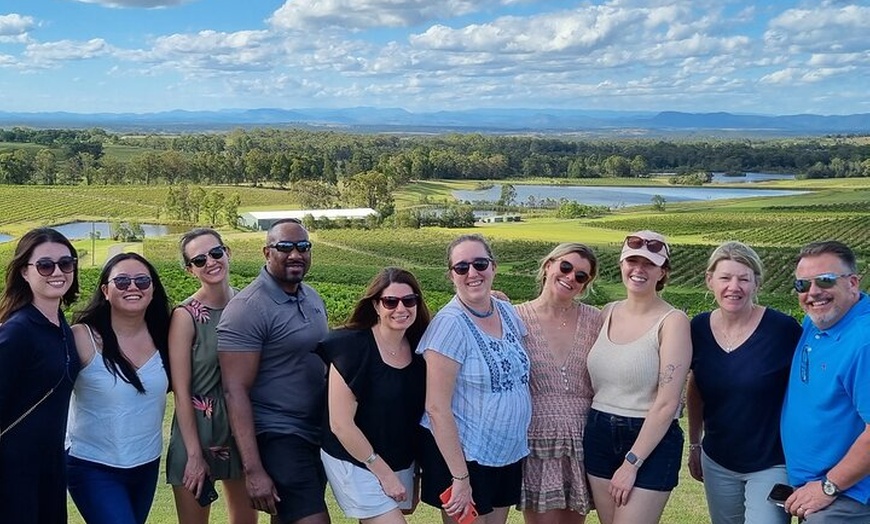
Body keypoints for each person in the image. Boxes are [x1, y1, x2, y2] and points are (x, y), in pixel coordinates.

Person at [217, 218, 330, 524]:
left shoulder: (312, 297)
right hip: (278, 436)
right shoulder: (248, 308)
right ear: (266, 253)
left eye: (303, 247)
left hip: (314, 434)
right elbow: (234, 390)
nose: (296, 254)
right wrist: (253, 470)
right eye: (285, 247)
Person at [417, 233, 532, 524]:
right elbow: (436, 407)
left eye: (480, 264)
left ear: (493, 267)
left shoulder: (505, 310)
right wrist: (460, 477)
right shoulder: (449, 326)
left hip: (505, 452)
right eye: (462, 267)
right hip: (464, 459)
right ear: (451, 275)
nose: (472, 273)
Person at [686, 241, 801, 524]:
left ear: (756, 283)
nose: (733, 287)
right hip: (718, 461)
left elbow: (807, 389)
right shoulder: (697, 329)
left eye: (743, 279)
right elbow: (696, 387)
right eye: (725, 278)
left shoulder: (783, 330)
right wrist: (694, 444)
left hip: (772, 462)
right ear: (709, 280)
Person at [583, 230, 691, 524]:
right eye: (632, 261)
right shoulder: (606, 313)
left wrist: (632, 462)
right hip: (599, 432)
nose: (638, 270)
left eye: (649, 264)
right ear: (621, 265)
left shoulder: (673, 322)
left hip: (649, 440)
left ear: (662, 272)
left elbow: (668, 403)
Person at [317, 267, 431, 523]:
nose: (401, 308)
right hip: (354, 457)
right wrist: (385, 475)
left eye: (409, 300)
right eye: (391, 301)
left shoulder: (422, 346)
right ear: (376, 306)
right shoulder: (350, 348)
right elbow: (341, 425)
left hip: (398, 455)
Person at [66, 252, 172, 524]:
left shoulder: (167, 336)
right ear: (105, 290)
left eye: (142, 281)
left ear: (153, 289)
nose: (133, 287)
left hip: (146, 464)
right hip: (92, 466)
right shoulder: (82, 337)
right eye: (122, 281)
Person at [166, 228, 257, 524]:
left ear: (227, 253)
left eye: (216, 253)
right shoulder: (185, 315)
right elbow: (181, 391)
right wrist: (194, 454)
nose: (211, 262)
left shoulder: (248, 306)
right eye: (200, 259)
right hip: (197, 432)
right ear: (191, 269)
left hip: (241, 429)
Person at [780, 240, 870, 523]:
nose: (813, 292)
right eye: (802, 285)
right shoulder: (819, 320)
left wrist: (828, 486)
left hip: (847, 495)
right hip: (818, 488)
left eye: (826, 280)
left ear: (853, 282)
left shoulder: (864, 341)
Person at [515, 243, 603, 524]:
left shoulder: (597, 319)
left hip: (583, 438)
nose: (570, 277)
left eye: (581, 276)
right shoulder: (514, 317)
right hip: (537, 437)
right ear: (548, 265)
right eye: (565, 267)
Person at [0, 227, 81, 524]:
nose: (57, 271)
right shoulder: (17, 331)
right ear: (24, 272)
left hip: (50, 466)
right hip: (12, 473)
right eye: (45, 265)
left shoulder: (60, 324)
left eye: (66, 262)